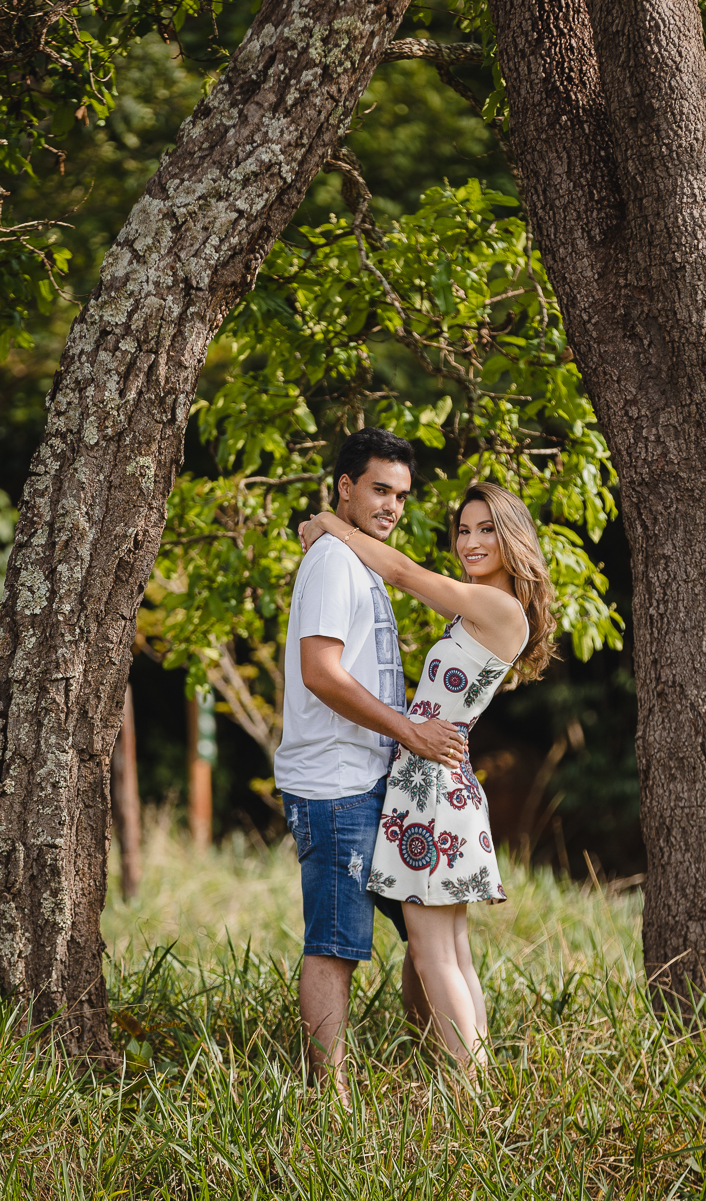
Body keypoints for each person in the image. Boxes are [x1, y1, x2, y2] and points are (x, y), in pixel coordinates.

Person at [299, 480, 556, 1071]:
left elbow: (405, 574)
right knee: (452, 953)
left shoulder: (498, 607)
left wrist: (333, 526)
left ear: (513, 538)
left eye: (487, 529)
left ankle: (466, 1099)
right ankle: (480, 1089)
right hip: (436, 782)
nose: (471, 541)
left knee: (433, 954)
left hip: (432, 791)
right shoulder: (483, 603)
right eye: (464, 530)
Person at [276, 428, 464, 1097]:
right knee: (335, 943)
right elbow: (321, 674)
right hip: (334, 787)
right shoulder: (331, 563)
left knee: (425, 927)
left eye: (401, 495)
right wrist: (408, 732)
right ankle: (329, 1102)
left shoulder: (359, 559)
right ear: (346, 487)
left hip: (372, 782)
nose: (391, 505)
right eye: (379, 490)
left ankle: (431, 1069)